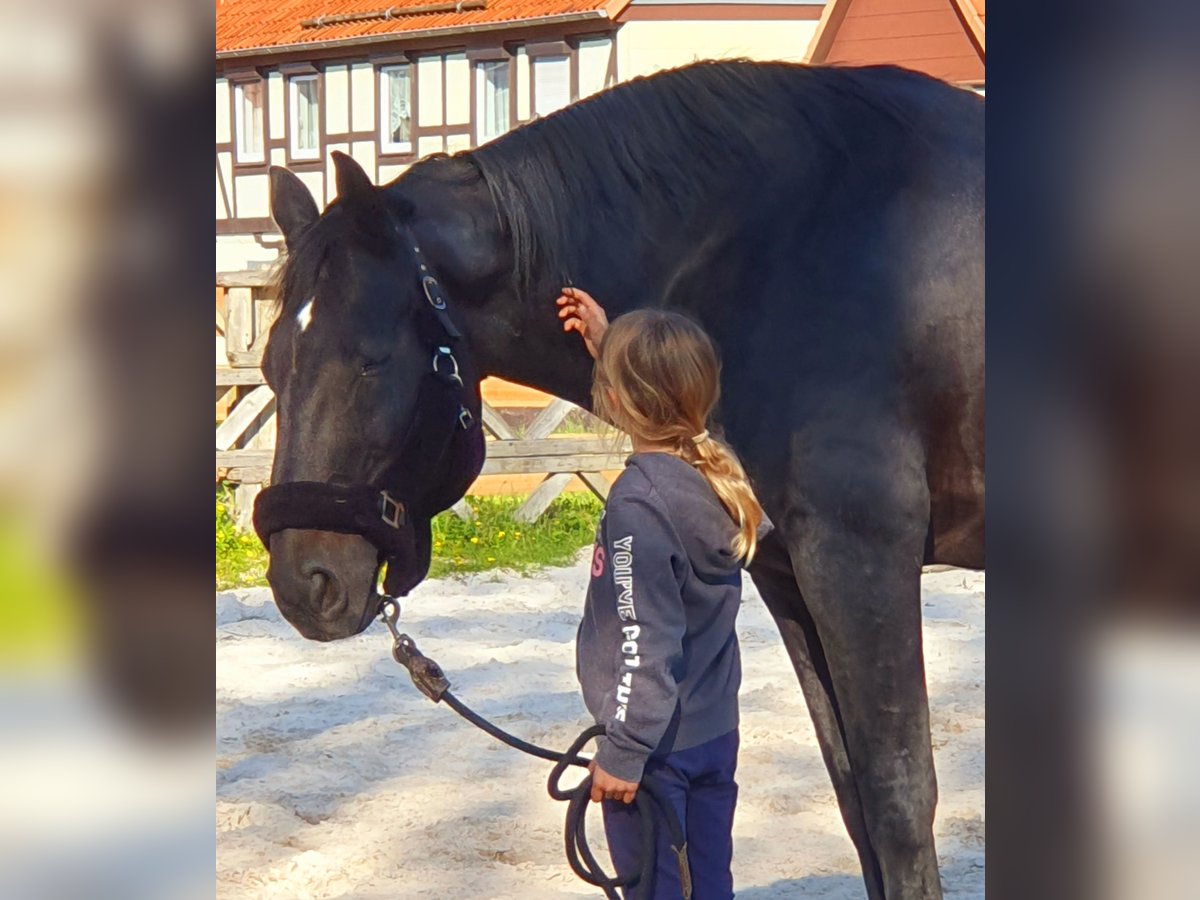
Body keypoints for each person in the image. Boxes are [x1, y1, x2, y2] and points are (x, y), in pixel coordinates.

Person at [556, 287, 766, 899]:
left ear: (614, 402)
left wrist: (623, 751)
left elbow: (640, 642)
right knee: (708, 887)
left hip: (654, 755)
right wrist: (609, 346)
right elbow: (672, 410)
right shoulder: (717, 472)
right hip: (711, 734)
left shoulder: (638, 507)